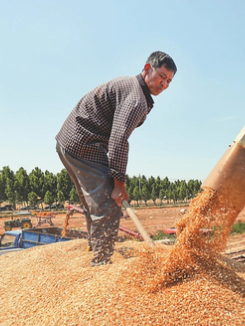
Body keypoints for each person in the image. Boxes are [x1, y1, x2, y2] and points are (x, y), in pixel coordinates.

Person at [56, 51, 177, 266]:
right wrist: (118, 184)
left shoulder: (131, 87)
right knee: (108, 205)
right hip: (85, 144)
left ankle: (94, 249)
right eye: (162, 76)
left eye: (169, 81)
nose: (164, 84)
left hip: (68, 141)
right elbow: (119, 139)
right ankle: (101, 265)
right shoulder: (136, 99)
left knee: (93, 203)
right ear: (147, 68)